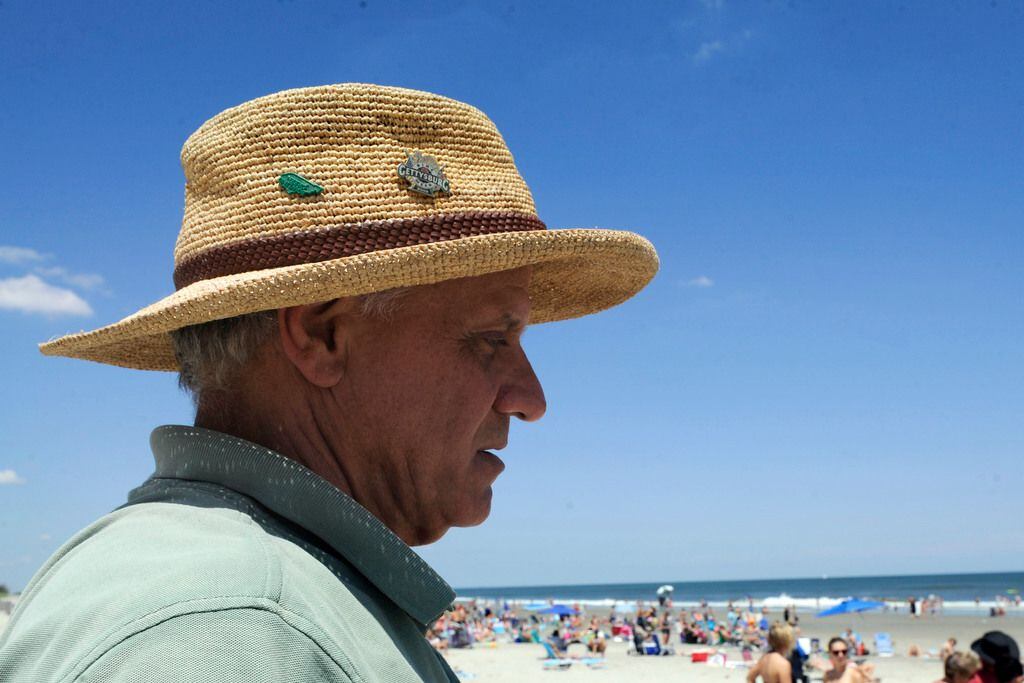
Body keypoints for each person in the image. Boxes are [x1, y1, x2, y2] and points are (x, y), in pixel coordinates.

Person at [0, 84, 658, 683]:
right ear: (321, 335)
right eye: (492, 337)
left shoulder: (190, 580)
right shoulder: (239, 630)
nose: (530, 398)